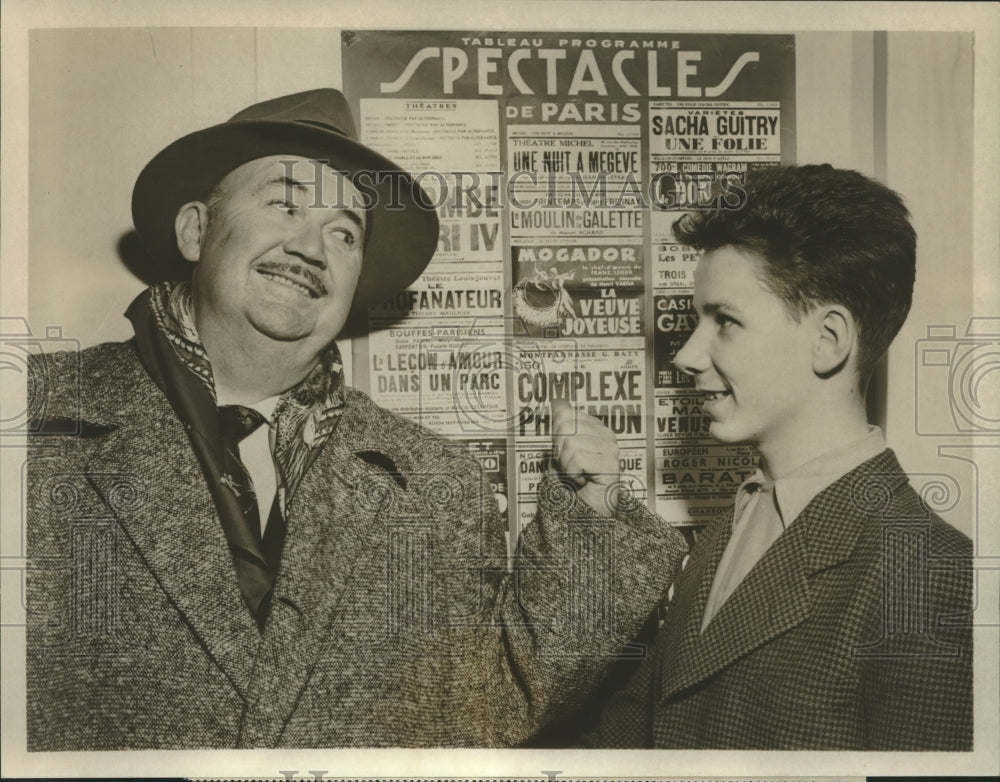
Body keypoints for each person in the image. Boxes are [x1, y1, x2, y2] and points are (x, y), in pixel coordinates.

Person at [25, 89, 685, 749]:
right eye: (284, 205)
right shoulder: (31, 422)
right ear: (197, 230)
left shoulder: (435, 486)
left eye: (343, 233)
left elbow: (497, 705)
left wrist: (590, 512)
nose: (311, 248)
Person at [589, 164, 973, 750]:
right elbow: (635, 729)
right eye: (698, 321)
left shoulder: (924, 573)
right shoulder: (729, 530)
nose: (689, 355)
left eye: (726, 322)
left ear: (828, 341)